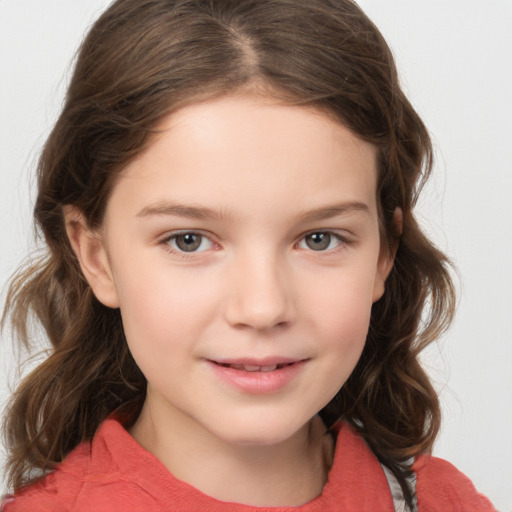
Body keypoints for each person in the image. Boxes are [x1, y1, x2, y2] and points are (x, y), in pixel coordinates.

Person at [0, 0, 497, 510]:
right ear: (96, 255)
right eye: (188, 240)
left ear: (383, 253)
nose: (262, 308)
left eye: (319, 238)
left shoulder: (446, 502)